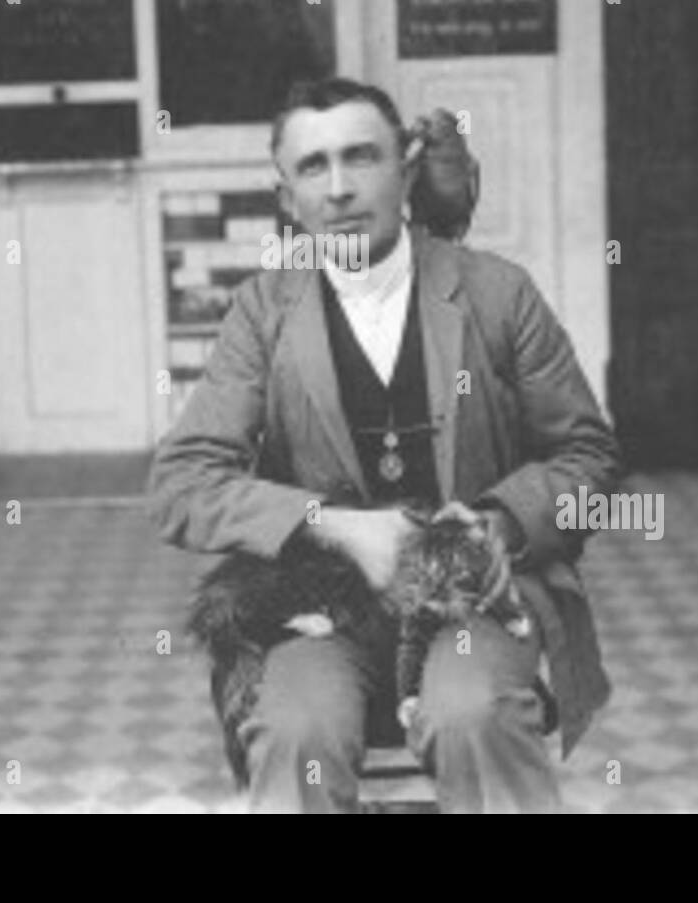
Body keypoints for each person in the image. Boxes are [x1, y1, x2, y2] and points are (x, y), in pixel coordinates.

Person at [148, 77, 622, 813]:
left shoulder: (497, 294)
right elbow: (182, 483)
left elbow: (589, 457)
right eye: (313, 167)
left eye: (361, 157)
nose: (339, 188)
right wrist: (333, 525)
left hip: (474, 599)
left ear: (403, 170)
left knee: (473, 713)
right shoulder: (262, 313)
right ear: (286, 198)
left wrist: (496, 524)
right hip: (319, 601)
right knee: (298, 728)